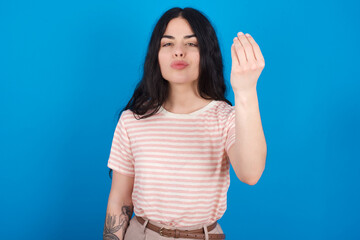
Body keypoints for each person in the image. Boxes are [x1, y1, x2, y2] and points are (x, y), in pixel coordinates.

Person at [103, 6, 266, 240]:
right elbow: (119, 200)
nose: (178, 52)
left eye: (191, 43)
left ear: (207, 53)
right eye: (167, 43)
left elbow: (251, 174)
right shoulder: (132, 121)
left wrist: (246, 91)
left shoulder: (226, 118)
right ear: (155, 55)